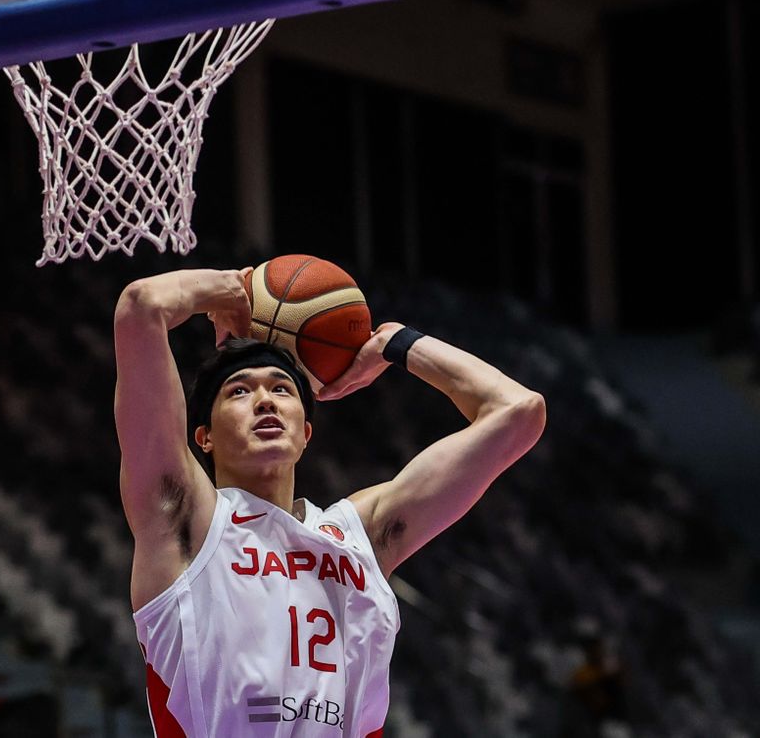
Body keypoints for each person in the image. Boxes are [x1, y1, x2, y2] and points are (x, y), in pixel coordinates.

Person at [113, 267, 546, 736]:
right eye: (240, 392)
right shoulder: (183, 523)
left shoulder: (361, 536)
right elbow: (142, 307)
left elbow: (518, 412)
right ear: (204, 437)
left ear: (306, 434)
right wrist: (233, 291)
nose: (265, 401)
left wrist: (394, 343)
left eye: (281, 388)